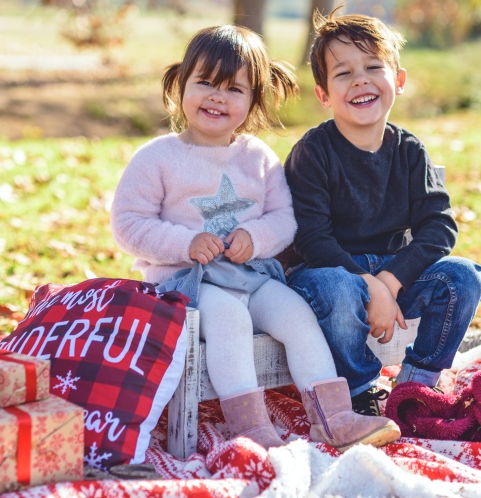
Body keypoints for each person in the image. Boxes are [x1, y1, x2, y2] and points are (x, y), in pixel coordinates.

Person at [110, 24, 401, 451]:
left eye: (234, 89)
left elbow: (284, 218)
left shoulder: (258, 158)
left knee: (297, 315)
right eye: (205, 83)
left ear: (254, 99)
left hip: (250, 275)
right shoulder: (158, 157)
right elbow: (129, 223)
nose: (217, 97)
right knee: (230, 319)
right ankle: (251, 426)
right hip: (185, 283)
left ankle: (333, 418)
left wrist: (255, 237)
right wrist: (186, 243)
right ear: (181, 84)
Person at [283, 8, 481, 417]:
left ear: (399, 80)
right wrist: (368, 285)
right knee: (339, 289)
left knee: (463, 277)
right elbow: (312, 239)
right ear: (323, 95)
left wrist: (389, 282)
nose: (360, 79)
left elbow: (439, 226)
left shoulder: (409, 151)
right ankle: (361, 390)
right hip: (324, 276)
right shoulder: (313, 152)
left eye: (373, 67)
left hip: (390, 271)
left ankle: (415, 385)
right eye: (343, 73)